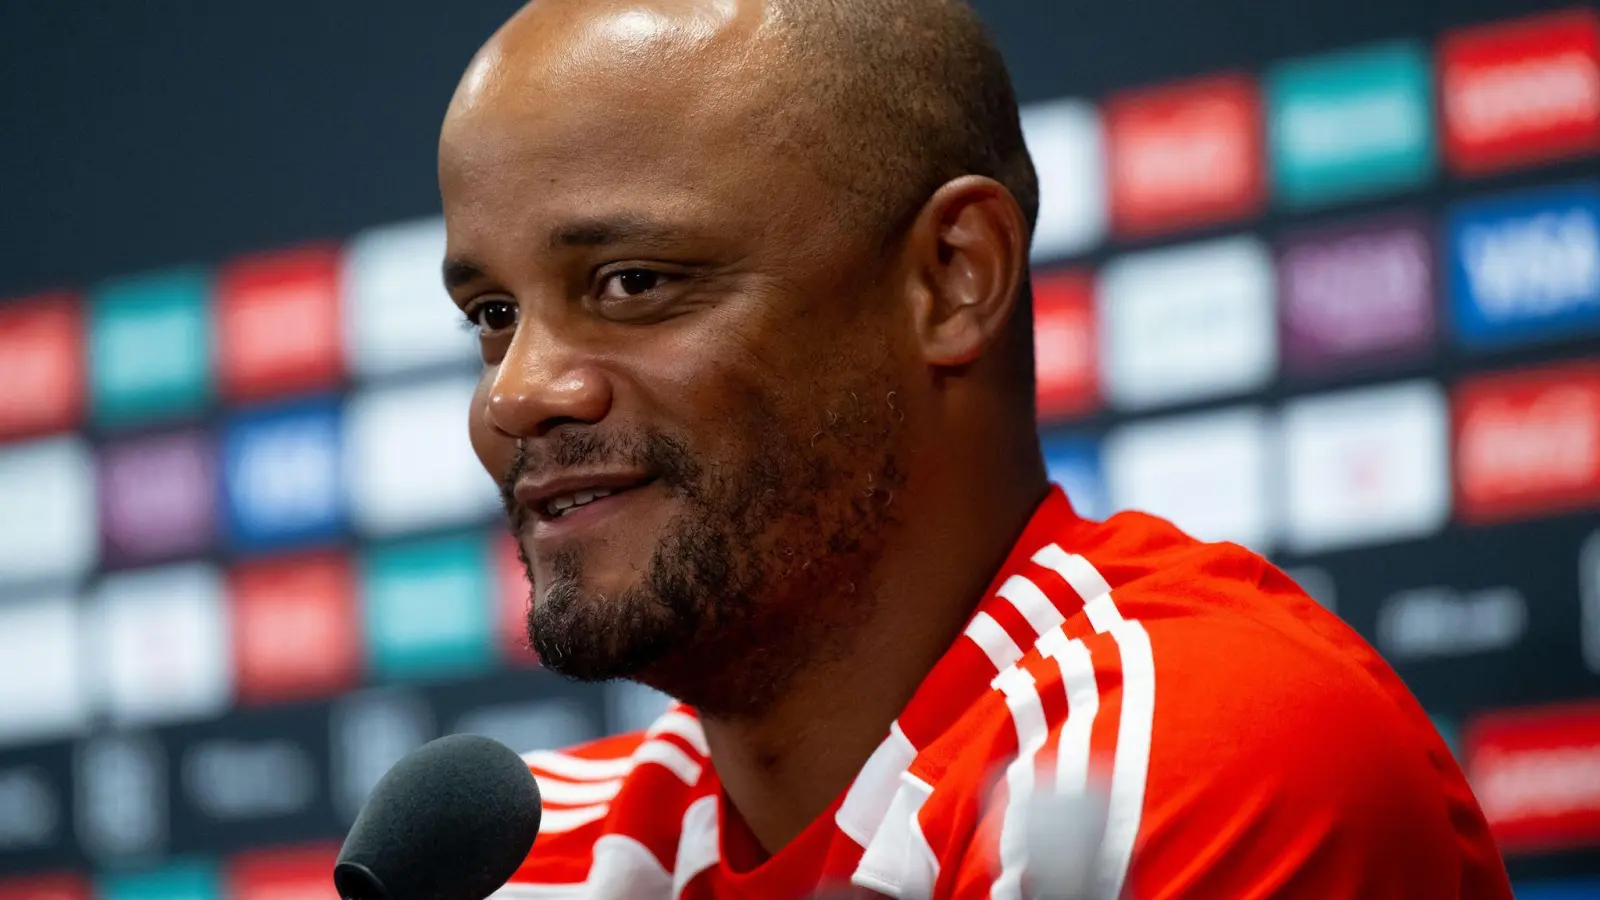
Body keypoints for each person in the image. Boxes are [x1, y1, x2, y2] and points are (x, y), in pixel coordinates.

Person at [436, 0, 1513, 896]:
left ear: (952, 276)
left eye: (633, 283)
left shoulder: (1180, 752)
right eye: (491, 314)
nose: (520, 392)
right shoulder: (532, 867)